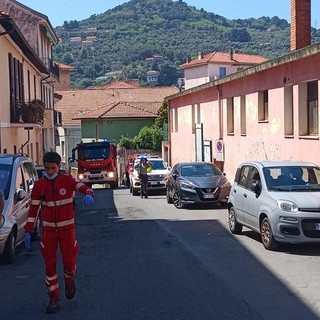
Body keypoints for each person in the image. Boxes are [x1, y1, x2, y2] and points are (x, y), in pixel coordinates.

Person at [24, 151, 94, 314]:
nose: (49, 172)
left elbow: (82, 187)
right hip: (48, 231)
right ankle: (53, 297)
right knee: (50, 266)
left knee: (69, 263)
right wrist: (28, 231)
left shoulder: (66, 180)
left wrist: (89, 193)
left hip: (67, 230)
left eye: (53, 168)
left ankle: (69, 279)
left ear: (59, 167)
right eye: (47, 168)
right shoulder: (39, 186)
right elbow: (33, 210)